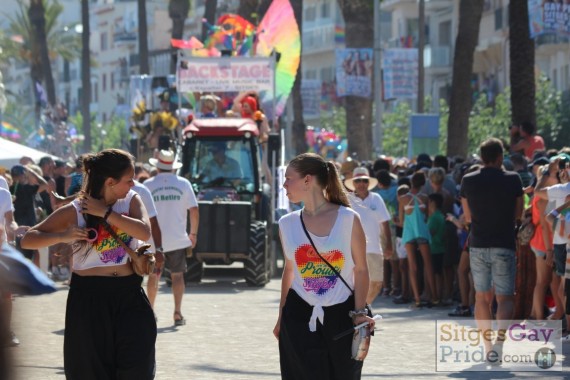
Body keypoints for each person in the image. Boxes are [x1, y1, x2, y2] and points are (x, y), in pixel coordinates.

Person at [20, 148, 157, 379]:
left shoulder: (131, 200)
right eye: (129, 180)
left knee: (138, 368)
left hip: (129, 295)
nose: (133, 184)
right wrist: (63, 237)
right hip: (89, 300)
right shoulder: (76, 210)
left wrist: (105, 213)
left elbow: (144, 231)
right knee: (90, 371)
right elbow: (28, 240)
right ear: (111, 182)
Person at [273, 153, 375, 380]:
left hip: (343, 316)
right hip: (298, 316)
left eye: (289, 178)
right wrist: (281, 317)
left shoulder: (348, 218)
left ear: (308, 180)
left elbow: (361, 269)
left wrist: (359, 313)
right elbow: (290, 270)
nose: (284, 184)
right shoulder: (286, 223)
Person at [460, 138, 523, 363]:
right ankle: (499, 343)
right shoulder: (513, 179)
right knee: (505, 298)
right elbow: (519, 214)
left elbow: (467, 217)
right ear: (500, 157)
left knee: (481, 298)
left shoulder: (468, 180)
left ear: (482, 156)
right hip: (504, 242)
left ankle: (487, 347)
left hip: (477, 243)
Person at [144, 149, 199, 327]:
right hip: (177, 239)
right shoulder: (184, 184)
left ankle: (150, 312)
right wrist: (193, 234)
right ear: (173, 168)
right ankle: (177, 312)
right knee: (177, 276)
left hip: (153, 241)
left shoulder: (148, 185)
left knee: (153, 276)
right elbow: (194, 209)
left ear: (157, 167)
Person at [344, 167, 393, 305]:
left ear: (368, 182)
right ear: (353, 183)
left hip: (375, 248)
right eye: (358, 180)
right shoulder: (347, 200)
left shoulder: (376, 199)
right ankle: (359, 312)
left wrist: (389, 244)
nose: (361, 183)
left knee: (377, 282)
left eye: (364, 180)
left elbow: (385, 223)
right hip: (353, 250)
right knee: (354, 283)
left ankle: (363, 308)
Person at [397, 172, 439, 309]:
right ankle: (434, 297)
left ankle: (417, 299)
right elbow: (427, 217)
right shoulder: (425, 198)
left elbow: (402, 221)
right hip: (422, 232)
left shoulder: (403, 199)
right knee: (428, 265)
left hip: (409, 234)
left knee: (412, 266)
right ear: (423, 183)